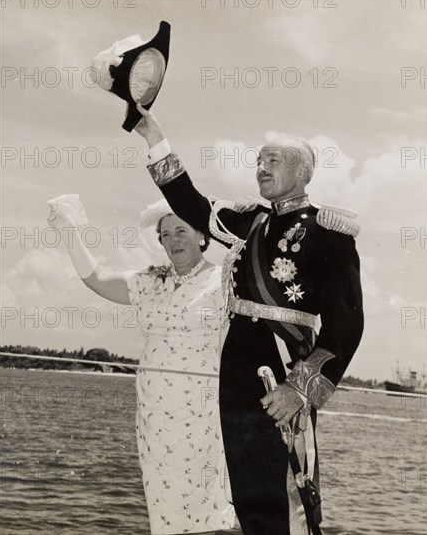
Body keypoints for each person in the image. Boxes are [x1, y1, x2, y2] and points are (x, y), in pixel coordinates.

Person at [132, 105, 364, 535]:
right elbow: (191, 204)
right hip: (234, 380)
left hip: (281, 377)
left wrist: (300, 390)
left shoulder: (328, 233)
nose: (261, 167)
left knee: (290, 496)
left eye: (273, 160)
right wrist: (154, 137)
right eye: (258, 161)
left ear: (304, 173)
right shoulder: (250, 222)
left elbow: (346, 323)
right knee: (248, 497)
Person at [47, 198, 235, 535]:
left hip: (202, 409)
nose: (174, 240)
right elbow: (98, 279)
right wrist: (69, 230)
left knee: (203, 505)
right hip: (154, 411)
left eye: (182, 230)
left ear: (202, 237)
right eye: (166, 234)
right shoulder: (149, 281)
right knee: (165, 507)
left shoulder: (225, 282)